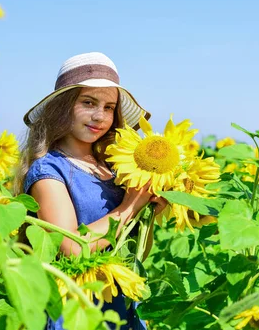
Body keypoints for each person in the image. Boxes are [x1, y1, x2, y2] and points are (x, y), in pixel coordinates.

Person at [16, 52, 166, 330]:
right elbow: (72, 247)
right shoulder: (49, 171)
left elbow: (135, 253)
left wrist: (149, 214)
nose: (100, 116)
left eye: (109, 107)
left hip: (121, 301)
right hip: (78, 307)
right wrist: (128, 208)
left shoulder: (114, 167)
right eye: (88, 103)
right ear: (62, 107)